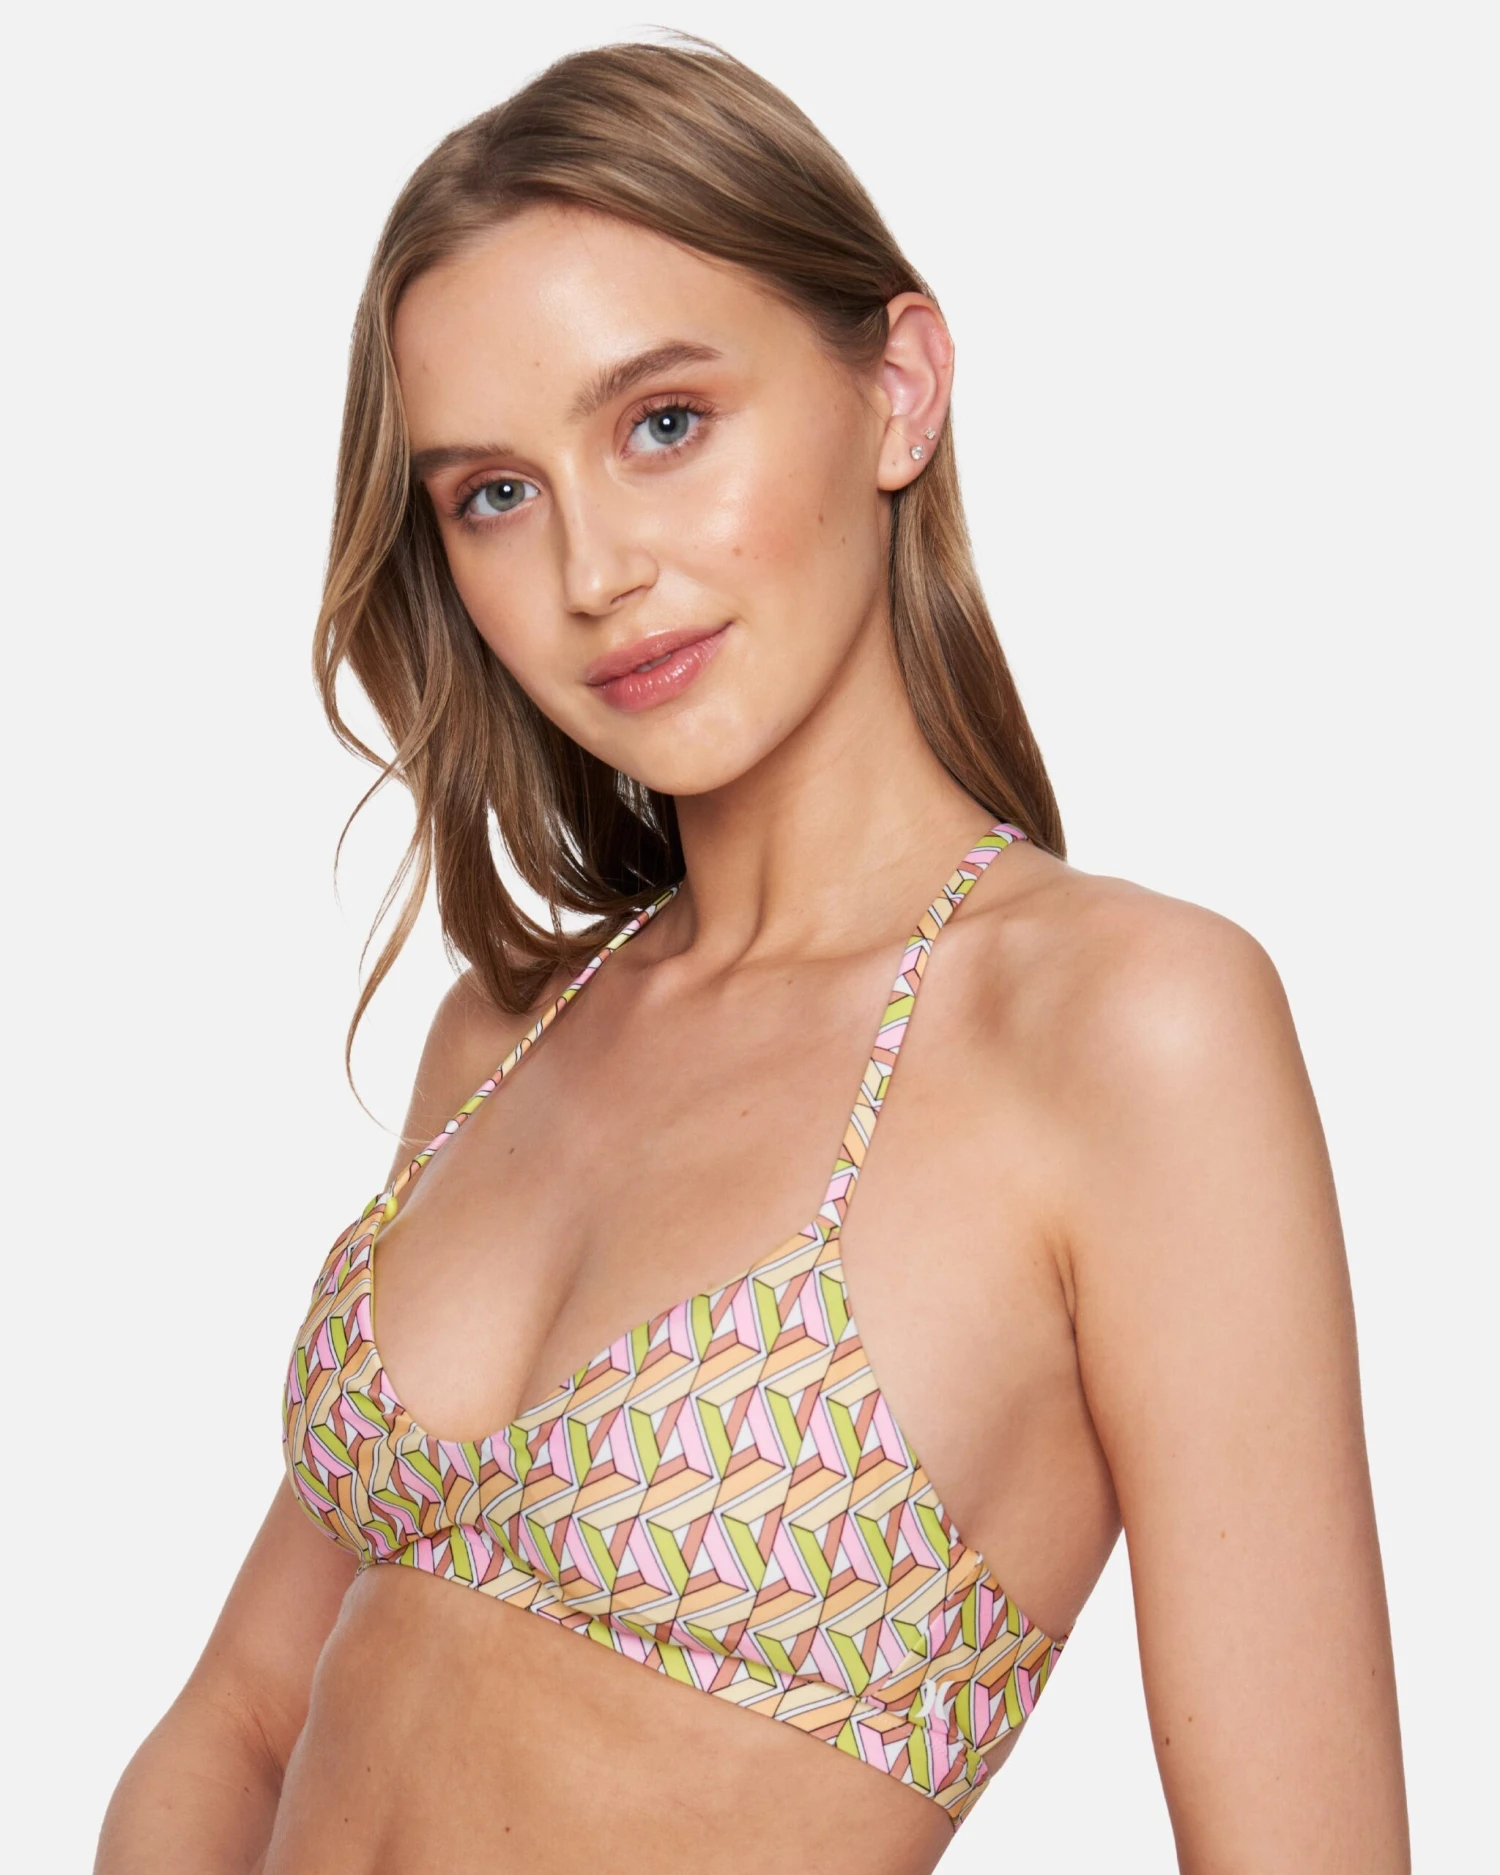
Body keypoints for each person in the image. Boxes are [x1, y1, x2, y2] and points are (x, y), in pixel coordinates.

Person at [94, 36, 1409, 1875]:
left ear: (899, 390)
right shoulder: (504, 1035)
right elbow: (242, 1714)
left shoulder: (1125, 1029)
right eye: (493, 493)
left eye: (663, 424)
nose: (594, 571)